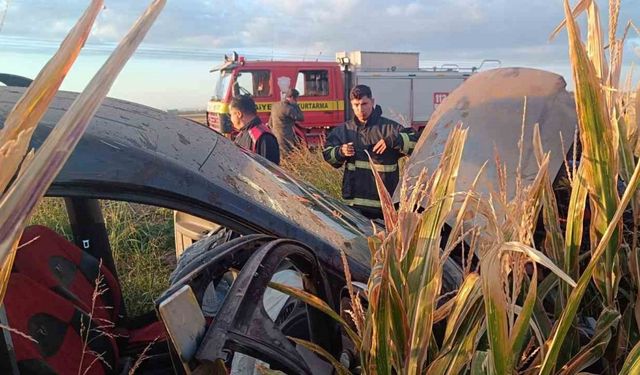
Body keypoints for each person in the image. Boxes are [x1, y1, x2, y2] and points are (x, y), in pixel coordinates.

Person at [323, 85, 418, 220]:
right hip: (354, 206)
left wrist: (394, 140)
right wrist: (340, 152)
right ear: (351, 104)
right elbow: (328, 155)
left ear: (372, 102)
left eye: (364, 104)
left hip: (384, 206)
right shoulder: (344, 130)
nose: (360, 109)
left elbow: (417, 144)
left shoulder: (390, 129)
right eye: (356, 105)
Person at [229, 94, 280, 165]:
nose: (231, 119)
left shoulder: (263, 137)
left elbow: (268, 172)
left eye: (231, 115)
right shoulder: (241, 135)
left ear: (239, 114)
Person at [269, 88, 304, 154]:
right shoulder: (289, 108)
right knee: (287, 158)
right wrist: (296, 105)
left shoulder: (274, 106)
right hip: (286, 139)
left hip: (276, 137)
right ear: (292, 98)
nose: (297, 101)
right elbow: (301, 118)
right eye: (296, 99)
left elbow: (270, 123)